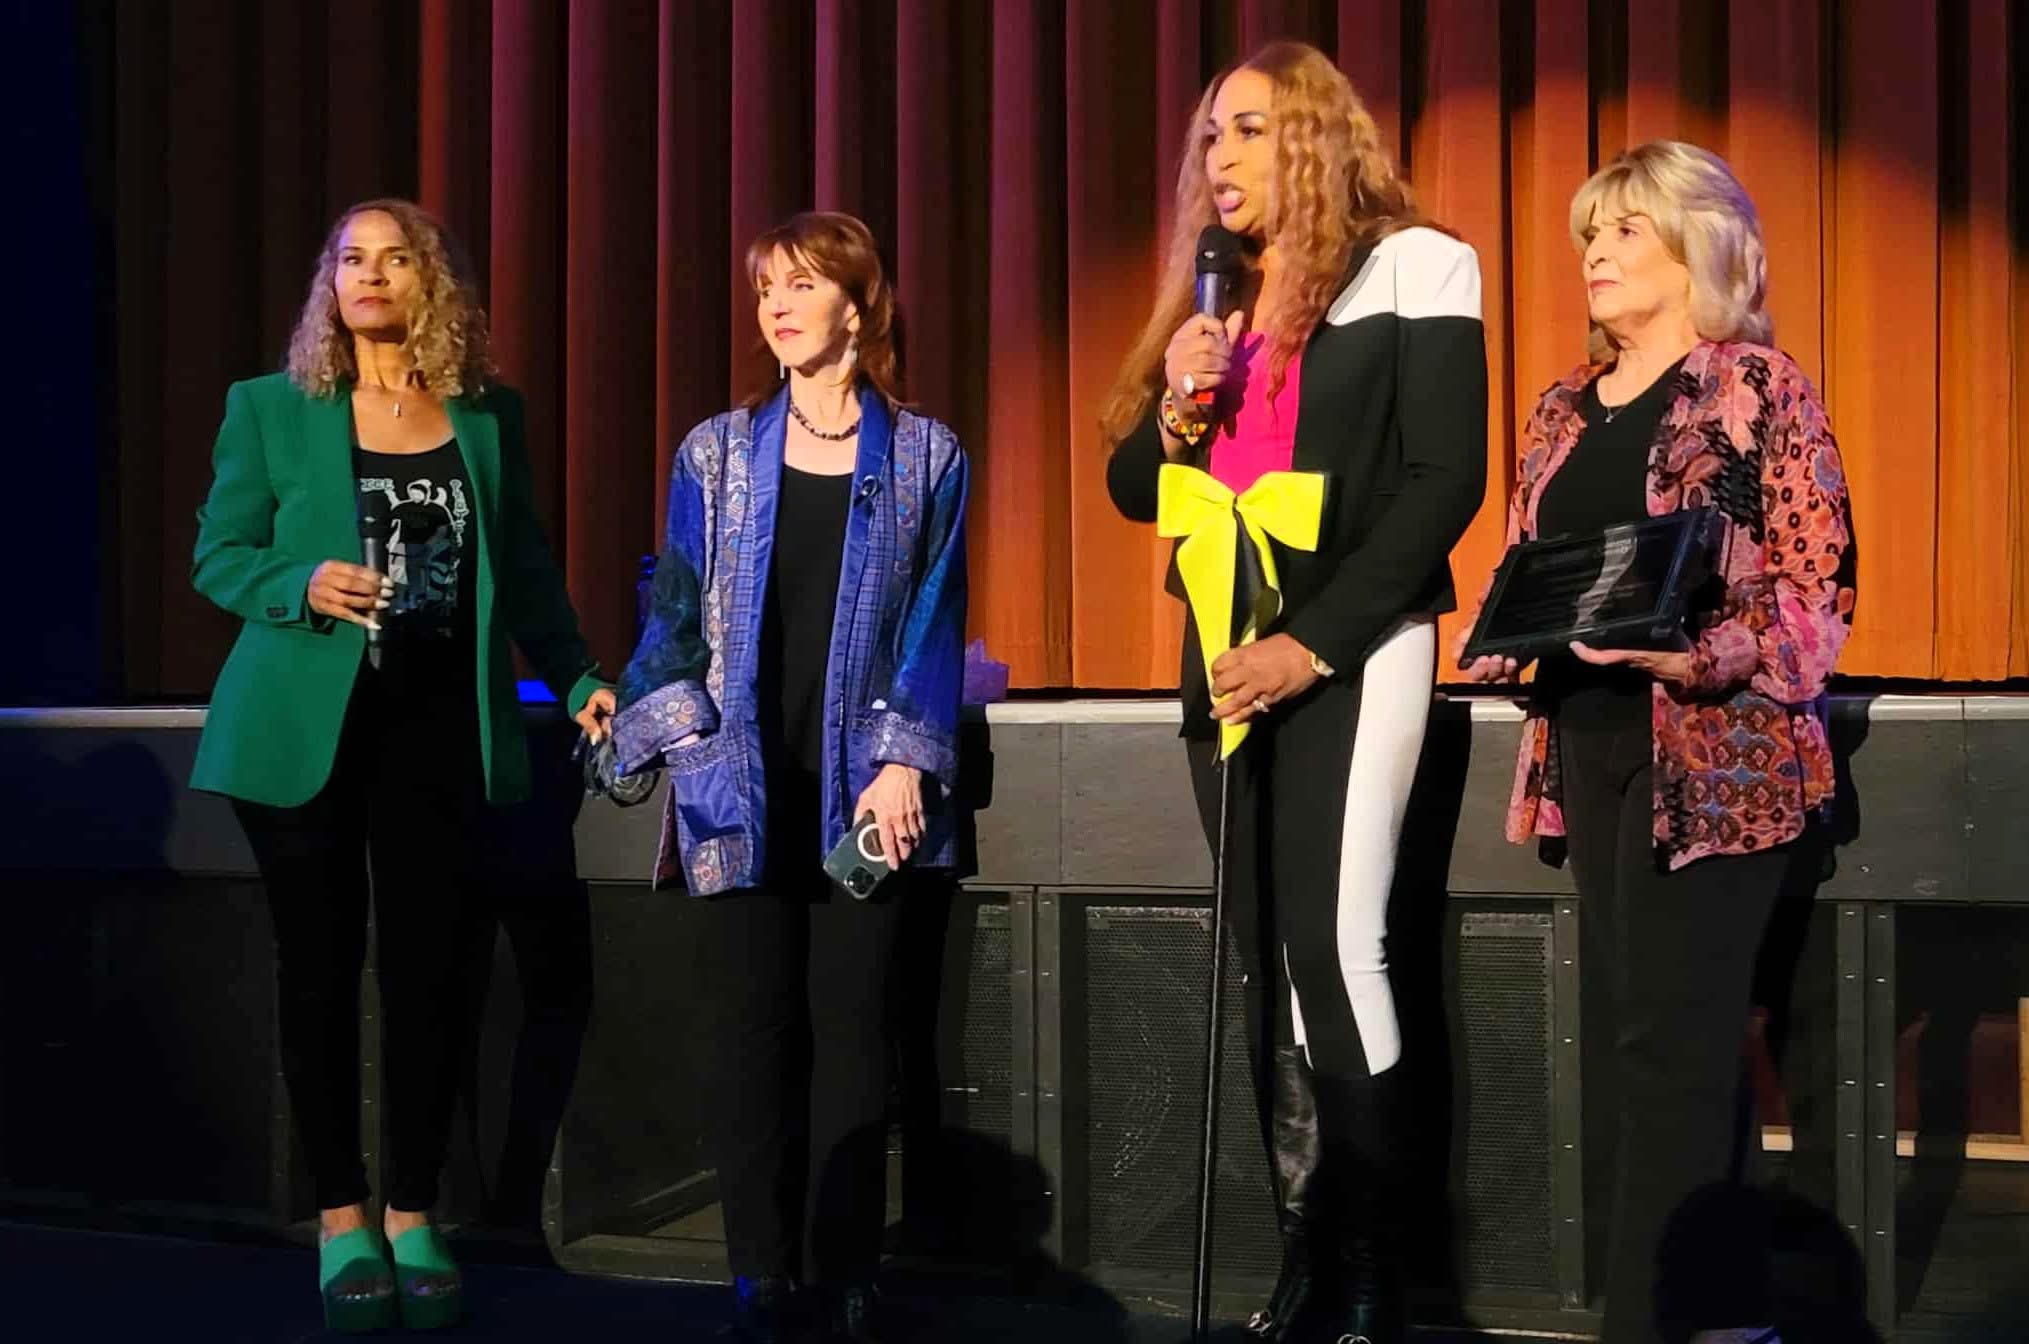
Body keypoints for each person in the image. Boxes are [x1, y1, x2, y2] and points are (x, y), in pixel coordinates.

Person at [1103, 41, 1487, 1344]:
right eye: (1208, 136)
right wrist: (1171, 413)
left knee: (1340, 950)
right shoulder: (1215, 304)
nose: (1218, 159)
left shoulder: (1416, 266)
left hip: (1351, 650)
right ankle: (1306, 1262)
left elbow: (1443, 484)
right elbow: (1130, 491)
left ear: (1315, 138)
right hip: (1221, 656)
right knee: (1265, 962)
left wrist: (1308, 647)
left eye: (1249, 131)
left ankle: (1378, 1280)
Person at [189, 199, 615, 1332]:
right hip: (303, 731)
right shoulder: (271, 409)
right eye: (350, 259)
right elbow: (218, 554)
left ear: (434, 283)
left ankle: (417, 1207)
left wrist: (575, 675)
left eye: (395, 258)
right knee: (320, 975)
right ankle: (341, 1216)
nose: (369, 275)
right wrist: (300, 584)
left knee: (435, 976)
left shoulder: (483, 416)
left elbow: (521, 563)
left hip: (439, 730)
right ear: (330, 284)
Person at [1456, 140, 1857, 1344]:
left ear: (1699, 248)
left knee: (1667, 1047)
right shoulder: (1559, 409)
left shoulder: (1754, 386)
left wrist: (1695, 656)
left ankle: (1646, 1324)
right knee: (1652, 1032)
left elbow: (1813, 588)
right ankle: (1727, 1317)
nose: (1594, 251)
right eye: (1590, 230)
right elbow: (1535, 570)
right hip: (1590, 741)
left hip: (1721, 756)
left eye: (1625, 228)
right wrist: (1509, 628)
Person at [611, 211, 968, 1344]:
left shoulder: (926, 454)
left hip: (862, 795)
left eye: (800, 285)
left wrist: (905, 759)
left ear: (856, 307)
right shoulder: (713, 451)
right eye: (767, 285)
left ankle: (846, 1269)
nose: (775, 304)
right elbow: (671, 616)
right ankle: (760, 1272)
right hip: (742, 791)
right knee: (751, 1041)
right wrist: (675, 739)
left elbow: (933, 620)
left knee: (858, 1039)